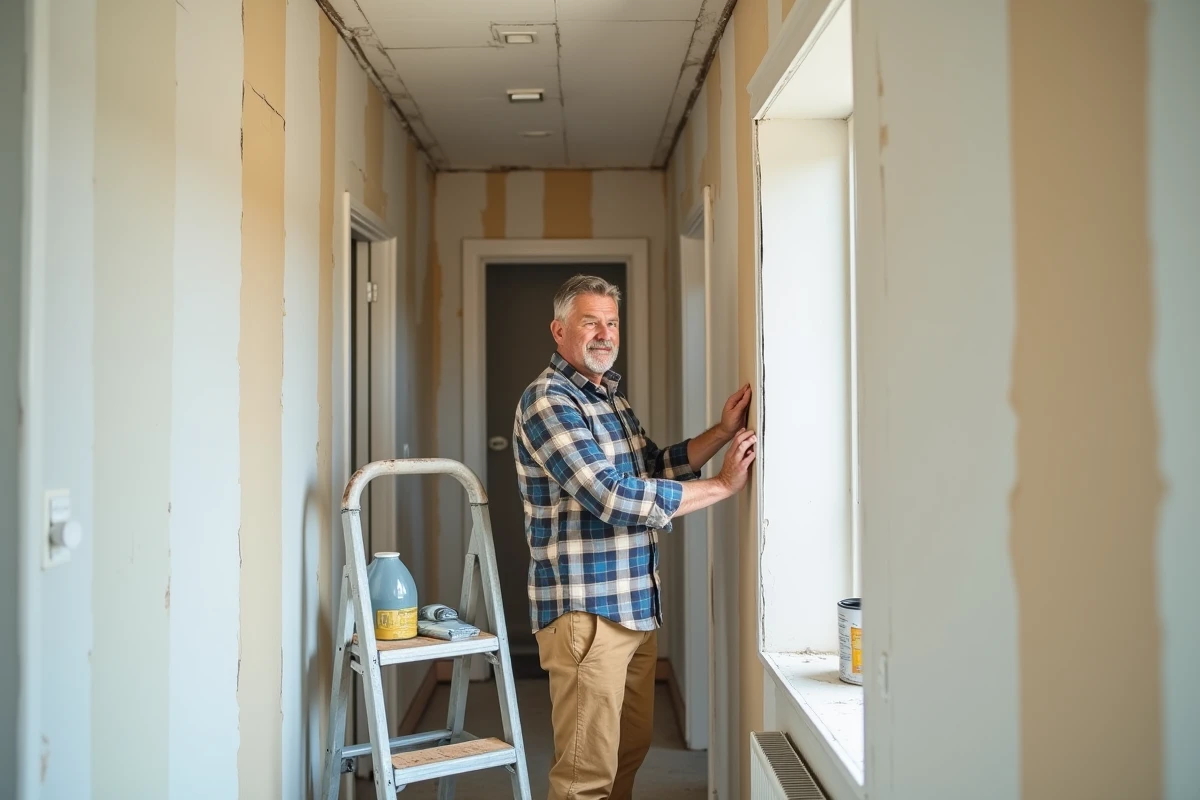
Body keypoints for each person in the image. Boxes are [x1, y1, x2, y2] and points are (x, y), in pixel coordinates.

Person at [511, 274, 756, 800]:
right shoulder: (549, 401)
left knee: (626, 752)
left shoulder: (608, 399)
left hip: (635, 606)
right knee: (584, 777)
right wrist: (721, 486)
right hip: (587, 614)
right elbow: (613, 497)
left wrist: (721, 433)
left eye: (612, 322)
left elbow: (650, 465)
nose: (604, 333)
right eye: (589, 322)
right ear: (559, 331)